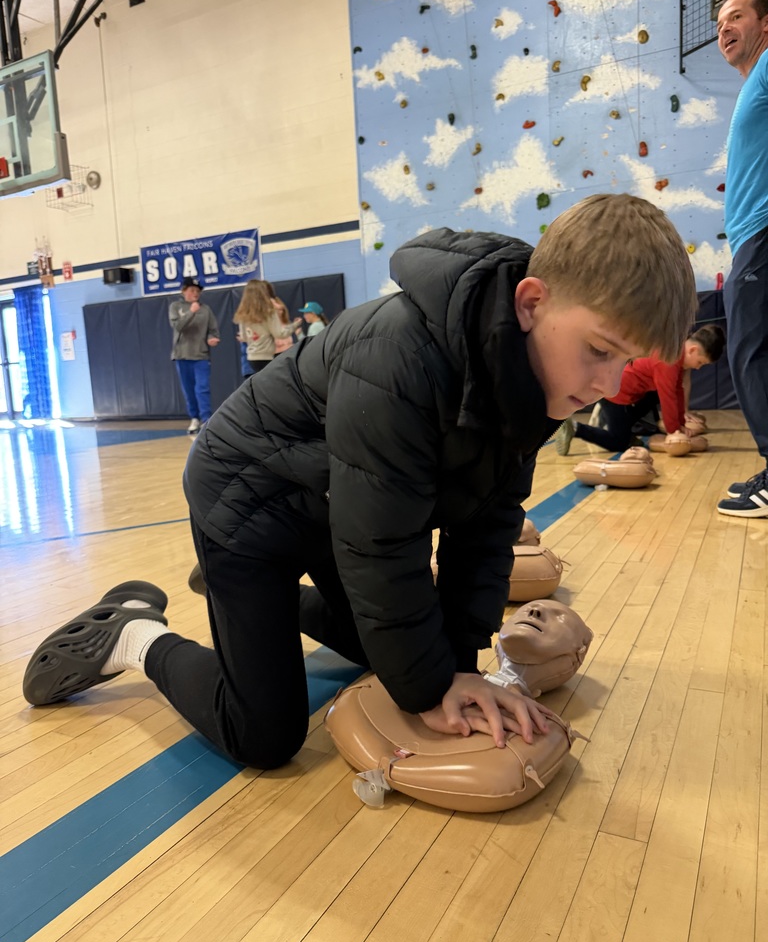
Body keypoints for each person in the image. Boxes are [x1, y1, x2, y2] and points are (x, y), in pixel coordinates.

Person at [23, 194, 697, 771]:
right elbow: (379, 545)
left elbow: (486, 529)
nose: (608, 386)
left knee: (403, 652)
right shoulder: (401, 354)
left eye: (625, 362)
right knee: (265, 736)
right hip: (249, 503)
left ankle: (261, 607)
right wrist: (434, 687)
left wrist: (459, 668)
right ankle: (133, 635)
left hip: (331, 511)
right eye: (600, 352)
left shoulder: (535, 377)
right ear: (530, 303)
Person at [715, 0, 768, 516]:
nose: (723, 28)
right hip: (753, 236)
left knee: (748, 351)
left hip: (763, 233)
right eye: (719, 21)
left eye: (736, 16)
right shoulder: (754, 82)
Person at [554, 324, 725, 455]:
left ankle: (624, 429)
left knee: (662, 394)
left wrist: (679, 423)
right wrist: (675, 431)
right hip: (616, 397)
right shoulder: (669, 360)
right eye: (700, 362)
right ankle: (575, 428)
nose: (698, 368)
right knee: (618, 443)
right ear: (693, 350)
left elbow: (677, 391)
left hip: (633, 396)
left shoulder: (676, 350)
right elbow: (669, 397)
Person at [168, 277, 220, 434]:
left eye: (198, 291)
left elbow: (213, 329)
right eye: (192, 290)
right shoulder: (176, 307)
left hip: (201, 355)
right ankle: (194, 418)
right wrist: (191, 312)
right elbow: (177, 326)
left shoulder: (206, 309)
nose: (195, 293)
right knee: (188, 390)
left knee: (202, 388)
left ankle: (206, 419)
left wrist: (212, 338)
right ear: (184, 291)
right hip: (182, 355)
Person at [234, 279, 302, 375]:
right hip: (267, 357)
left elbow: (244, 337)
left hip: (252, 358)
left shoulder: (243, 314)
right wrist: (295, 325)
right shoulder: (269, 312)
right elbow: (280, 334)